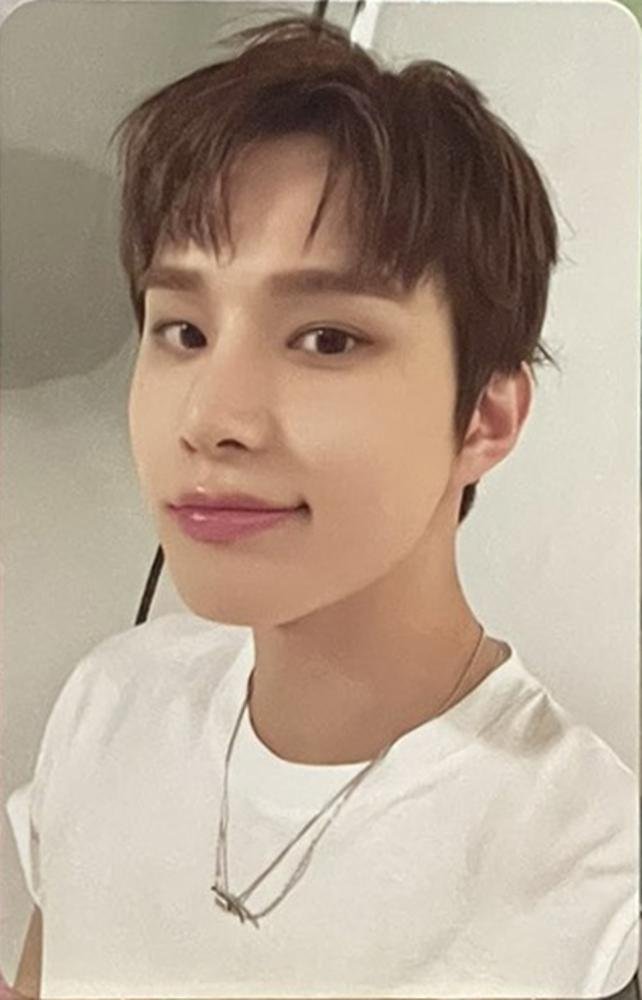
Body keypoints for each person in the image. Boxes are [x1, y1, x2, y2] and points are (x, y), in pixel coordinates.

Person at [7, 13, 638, 999]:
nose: (209, 418)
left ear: (485, 417)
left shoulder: (594, 889)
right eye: (182, 330)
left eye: (327, 340)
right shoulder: (112, 702)